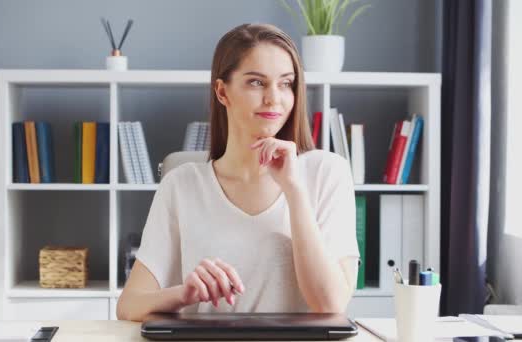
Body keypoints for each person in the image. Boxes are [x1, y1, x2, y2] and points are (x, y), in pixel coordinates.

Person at [117, 23, 359, 322]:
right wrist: (184, 294)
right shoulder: (181, 184)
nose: (274, 98)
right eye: (256, 83)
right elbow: (129, 306)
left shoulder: (327, 172)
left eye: (286, 83)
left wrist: (294, 191)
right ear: (222, 91)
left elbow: (330, 304)